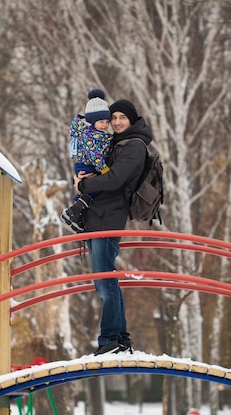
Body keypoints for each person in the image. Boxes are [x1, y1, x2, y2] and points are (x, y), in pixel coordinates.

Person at [73, 98, 154, 355]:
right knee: (106, 281)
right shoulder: (117, 143)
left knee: (105, 281)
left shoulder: (134, 147)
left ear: (131, 120)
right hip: (100, 216)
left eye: (122, 118)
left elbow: (115, 180)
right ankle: (120, 337)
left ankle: (109, 339)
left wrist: (83, 186)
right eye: (114, 117)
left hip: (109, 217)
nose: (117, 122)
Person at [61, 89, 113, 233]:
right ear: (92, 121)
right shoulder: (92, 136)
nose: (104, 125)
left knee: (92, 190)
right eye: (101, 122)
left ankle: (77, 214)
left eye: (107, 122)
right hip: (89, 165)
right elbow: (94, 155)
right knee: (96, 188)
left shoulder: (93, 133)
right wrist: (105, 170)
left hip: (85, 165)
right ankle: (74, 212)